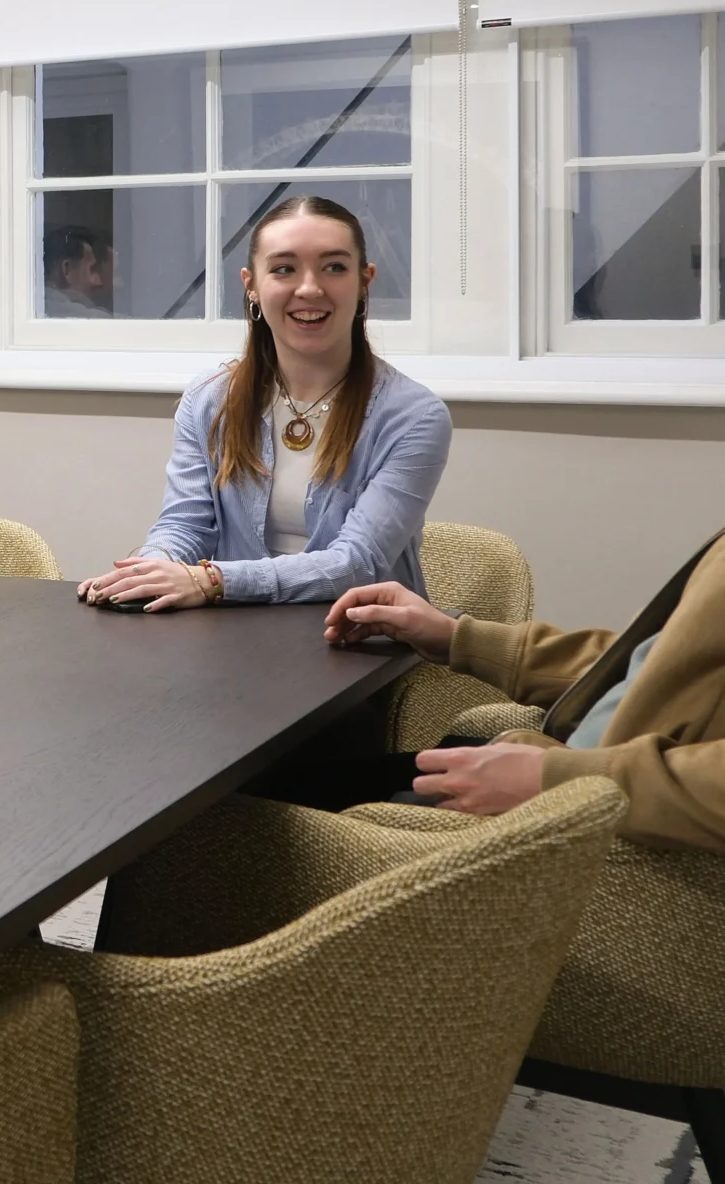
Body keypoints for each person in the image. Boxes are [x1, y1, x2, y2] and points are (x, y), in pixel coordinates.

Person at [79, 194, 451, 610]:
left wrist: (213, 580)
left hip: (362, 642)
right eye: (284, 269)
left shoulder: (415, 416)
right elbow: (184, 526)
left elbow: (357, 563)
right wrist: (145, 574)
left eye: (334, 267)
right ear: (251, 285)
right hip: (235, 639)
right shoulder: (209, 398)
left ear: (365, 280)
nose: (309, 288)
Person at [326, 530, 725, 849]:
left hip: (582, 827)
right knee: (319, 778)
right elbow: (657, 671)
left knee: (279, 803)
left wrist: (553, 779)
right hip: (577, 774)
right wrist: (459, 638)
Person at [41, 222, 115, 318]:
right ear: (67, 270)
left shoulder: (35, 306)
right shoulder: (56, 310)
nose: (99, 282)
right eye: (91, 270)